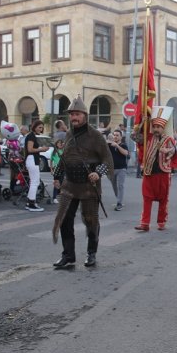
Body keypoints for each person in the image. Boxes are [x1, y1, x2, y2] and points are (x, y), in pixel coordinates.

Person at [51, 96, 114, 267]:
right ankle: (68, 255)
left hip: (89, 186)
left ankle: (91, 253)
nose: (74, 117)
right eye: (71, 114)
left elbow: (107, 160)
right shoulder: (69, 134)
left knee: (90, 220)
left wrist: (98, 173)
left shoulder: (96, 136)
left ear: (85, 115)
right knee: (64, 219)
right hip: (70, 185)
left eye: (77, 114)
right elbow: (64, 157)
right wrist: (57, 176)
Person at [135, 108, 177, 231]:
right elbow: (135, 137)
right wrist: (144, 123)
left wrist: (168, 151)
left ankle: (161, 222)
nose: (156, 129)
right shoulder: (147, 137)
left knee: (163, 199)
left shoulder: (168, 139)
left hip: (163, 173)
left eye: (159, 127)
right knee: (146, 198)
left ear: (163, 127)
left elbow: (174, 151)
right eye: (154, 126)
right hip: (148, 173)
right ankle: (144, 223)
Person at [24, 120, 48, 212]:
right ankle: (31, 203)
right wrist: (41, 149)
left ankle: (30, 202)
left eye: (42, 127)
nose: (41, 129)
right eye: (39, 127)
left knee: (34, 182)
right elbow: (30, 149)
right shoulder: (31, 136)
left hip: (33, 160)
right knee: (35, 182)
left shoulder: (32, 136)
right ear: (34, 127)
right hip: (32, 159)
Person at [108, 129, 129, 211]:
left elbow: (126, 153)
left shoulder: (123, 145)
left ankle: (119, 203)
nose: (115, 136)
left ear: (121, 137)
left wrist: (117, 146)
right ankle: (118, 199)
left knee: (120, 185)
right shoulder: (110, 145)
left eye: (117, 135)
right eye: (114, 135)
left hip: (121, 168)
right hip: (112, 169)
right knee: (114, 186)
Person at [50, 138, 64, 204]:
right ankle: (54, 197)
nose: (60, 144)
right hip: (56, 168)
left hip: (63, 168)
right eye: (59, 143)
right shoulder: (55, 151)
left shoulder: (64, 151)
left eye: (61, 143)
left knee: (62, 182)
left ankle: (60, 195)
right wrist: (51, 169)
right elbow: (51, 160)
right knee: (56, 182)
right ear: (56, 144)